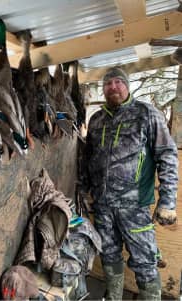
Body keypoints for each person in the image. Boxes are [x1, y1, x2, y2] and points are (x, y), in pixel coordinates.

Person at [77, 67, 178, 300]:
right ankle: (113, 297)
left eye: (118, 82)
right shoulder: (97, 119)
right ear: (103, 88)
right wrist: (83, 190)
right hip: (102, 205)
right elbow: (87, 157)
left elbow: (168, 155)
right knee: (109, 255)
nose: (113, 87)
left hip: (134, 207)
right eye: (108, 83)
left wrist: (168, 201)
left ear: (127, 85)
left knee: (144, 261)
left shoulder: (147, 114)